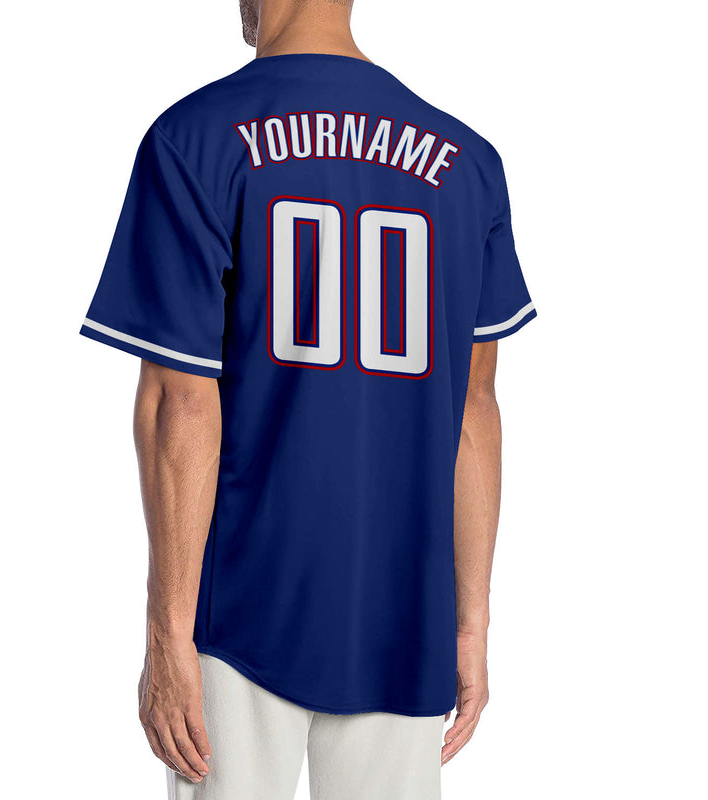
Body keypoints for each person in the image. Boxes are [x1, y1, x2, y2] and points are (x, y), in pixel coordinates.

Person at [80, 1, 536, 797]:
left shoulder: (194, 138)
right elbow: (474, 413)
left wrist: (167, 635)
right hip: (404, 616)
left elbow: (179, 405)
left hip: (240, 614)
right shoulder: (467, 160)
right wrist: (471, 624)